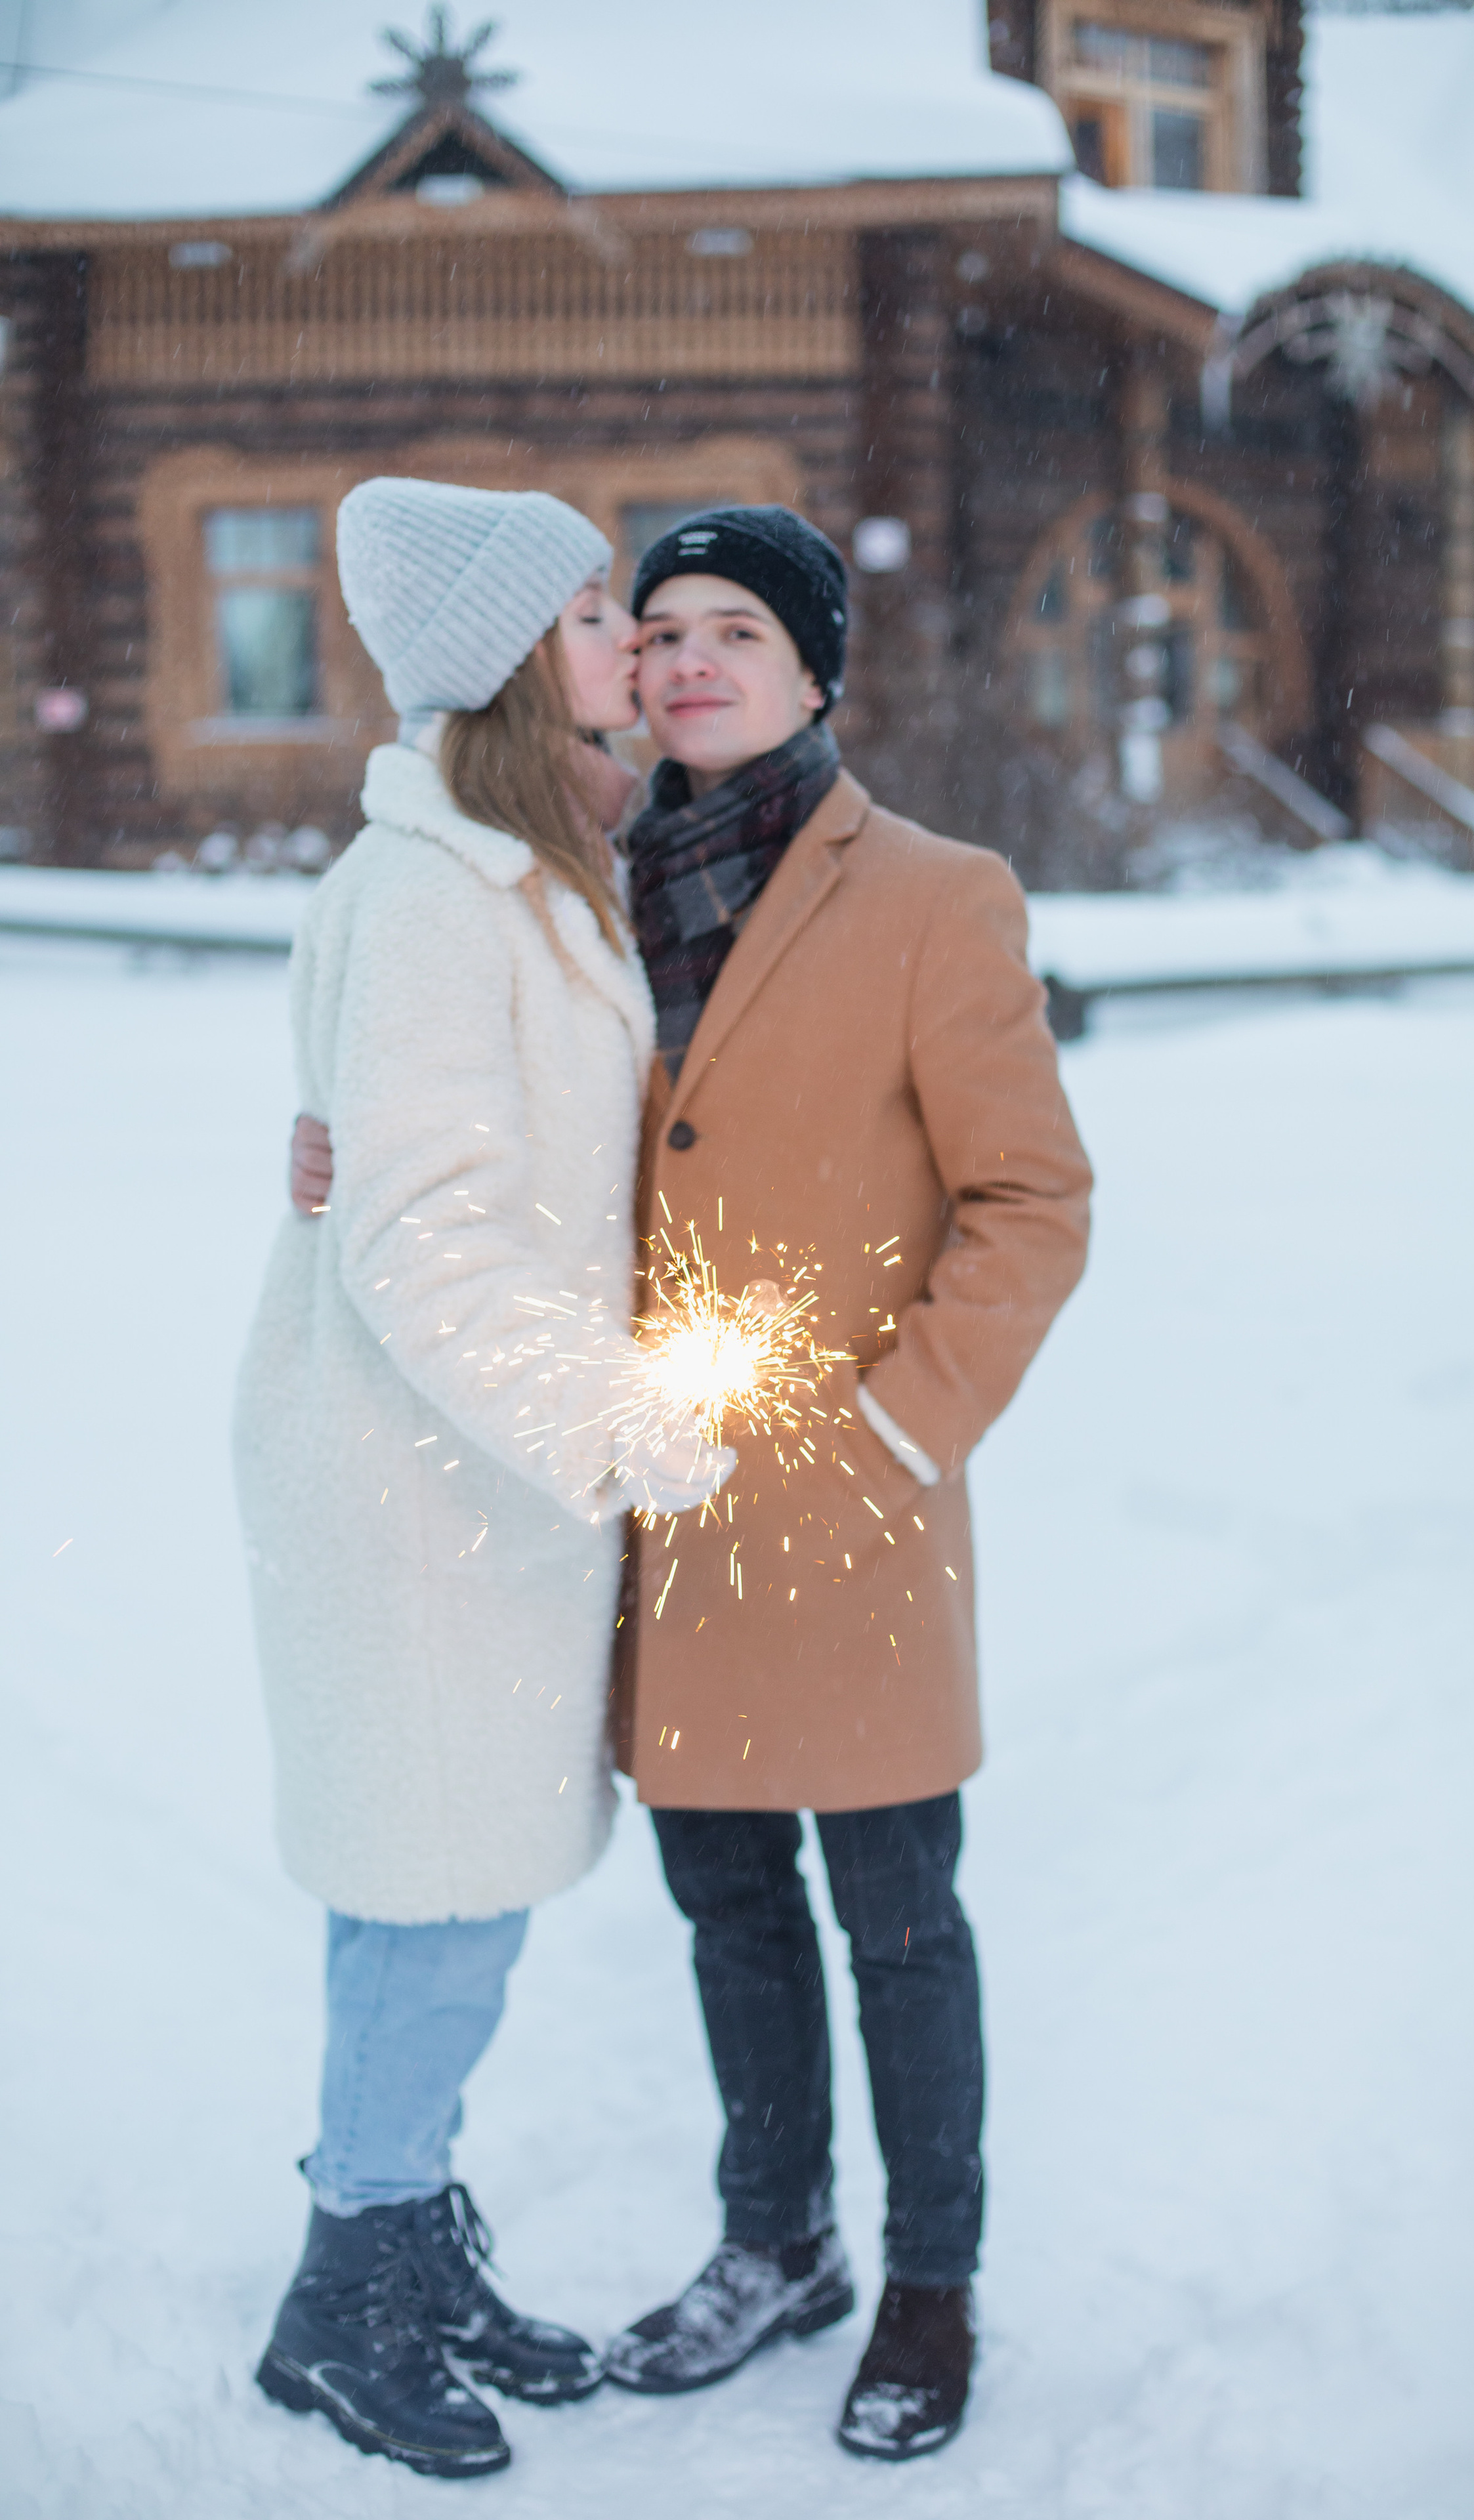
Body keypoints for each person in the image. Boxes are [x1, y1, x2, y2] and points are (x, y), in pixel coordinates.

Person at [292, 504, 1093, 2463]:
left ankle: (929, 2283)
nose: (690, 657)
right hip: (641, 1492)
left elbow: (1031, 1199)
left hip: (848, 1491)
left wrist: (903, 1428)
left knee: (899, 1921)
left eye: (741, 626)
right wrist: (337, 1149)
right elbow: (479, 1126)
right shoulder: (572, 881)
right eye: (658, 628)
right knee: (730, 1909)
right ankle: (776, 2243)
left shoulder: (935, 894)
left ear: (817, 672)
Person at [236, 477, 730, 2481]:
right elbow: (424, 1233)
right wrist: (622, 1423)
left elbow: (416, 1162)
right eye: (598, 612)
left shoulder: (521, 862)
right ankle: (348, 2295)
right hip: (413, 1483)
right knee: (431, 1904)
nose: (633, 638)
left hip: (466, 1471)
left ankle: (395, 2232)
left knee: (434, 1895)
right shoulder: (443, 892)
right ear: (521, 655)